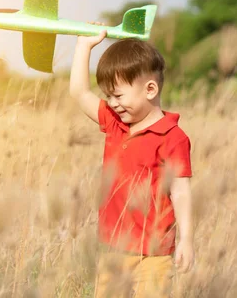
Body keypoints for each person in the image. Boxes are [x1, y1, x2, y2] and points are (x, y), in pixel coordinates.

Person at [69, 27, 194, 297]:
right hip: (114, 248)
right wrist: (84, 47)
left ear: (150, 89)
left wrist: (187, 239)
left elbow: (180, 191)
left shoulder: (173, 138)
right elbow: (79, 93)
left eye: (118, 95)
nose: (112, 103)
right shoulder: (115, 124)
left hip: (154, 254)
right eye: (108, 96)